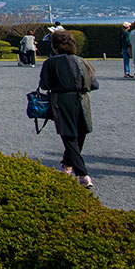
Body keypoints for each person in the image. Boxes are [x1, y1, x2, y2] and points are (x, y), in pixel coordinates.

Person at [38, 29, 97, 188]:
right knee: (80, 134)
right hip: (82, 99)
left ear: (54, 46)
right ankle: (67, 165)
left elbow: (44, 85)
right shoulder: (82, 61)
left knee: (69, 136)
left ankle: (82, 174)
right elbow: (94, 84)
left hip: (61, 100)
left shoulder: (50, 63)